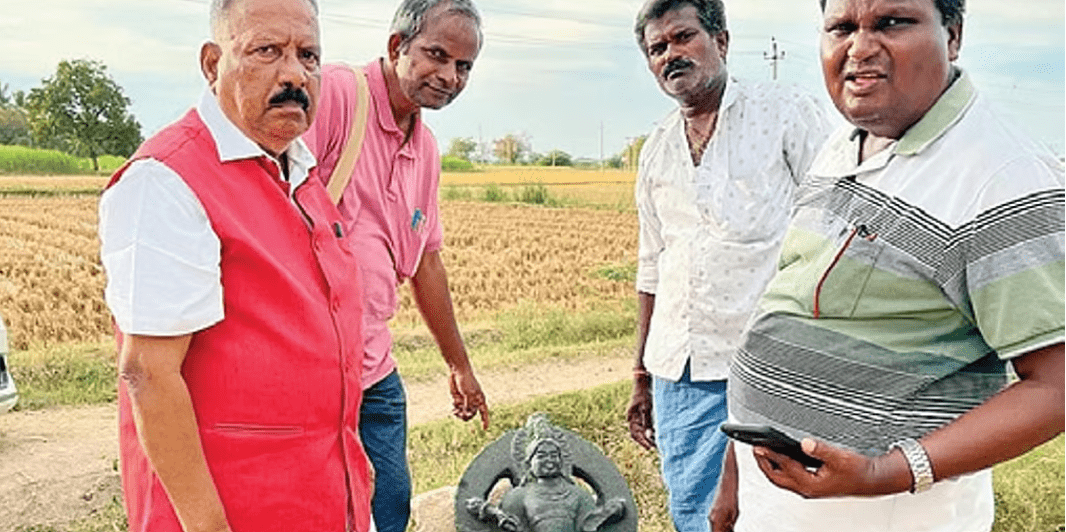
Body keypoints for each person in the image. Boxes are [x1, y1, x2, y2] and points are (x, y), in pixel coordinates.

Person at [716, 0, 1065, 530]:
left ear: (952, 35)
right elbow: (785, 308)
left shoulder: (1003, 177)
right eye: (841, 27)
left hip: (886, 511)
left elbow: (1055, 386)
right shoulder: (846, 142)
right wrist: (735, 477)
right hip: (779, 496)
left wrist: (887, 472)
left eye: (892, 22)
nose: (859, 48)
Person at [98, 0, 373, 530]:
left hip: (319, 503)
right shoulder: (167, 180)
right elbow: (148, 374)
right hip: (233, 512)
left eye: (309, 55)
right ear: (212, 63)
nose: (294, 75)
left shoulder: (299, 173)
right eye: (267, 51)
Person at [625, 1, 835, 531]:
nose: (671, 55)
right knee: (695, 513)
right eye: (657, 48)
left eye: (683, 37)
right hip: (681, 373)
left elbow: (836, 232)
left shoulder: (786, 113)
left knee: (774, 510)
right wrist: (641, 374)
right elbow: (652, 266)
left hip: (771, 365)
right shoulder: (656, 149)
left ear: (721, 40)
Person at [302, 1, 488, 531]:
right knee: (316, 509)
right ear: (395, 46)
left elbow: (427, 262)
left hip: (374, 369)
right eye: (437, 55)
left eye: (464, 66)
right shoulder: (337, 95)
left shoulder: (424, 149)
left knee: (389, 506)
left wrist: (458, 364)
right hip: (312, 366)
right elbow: (270, 204)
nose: (450, 77)